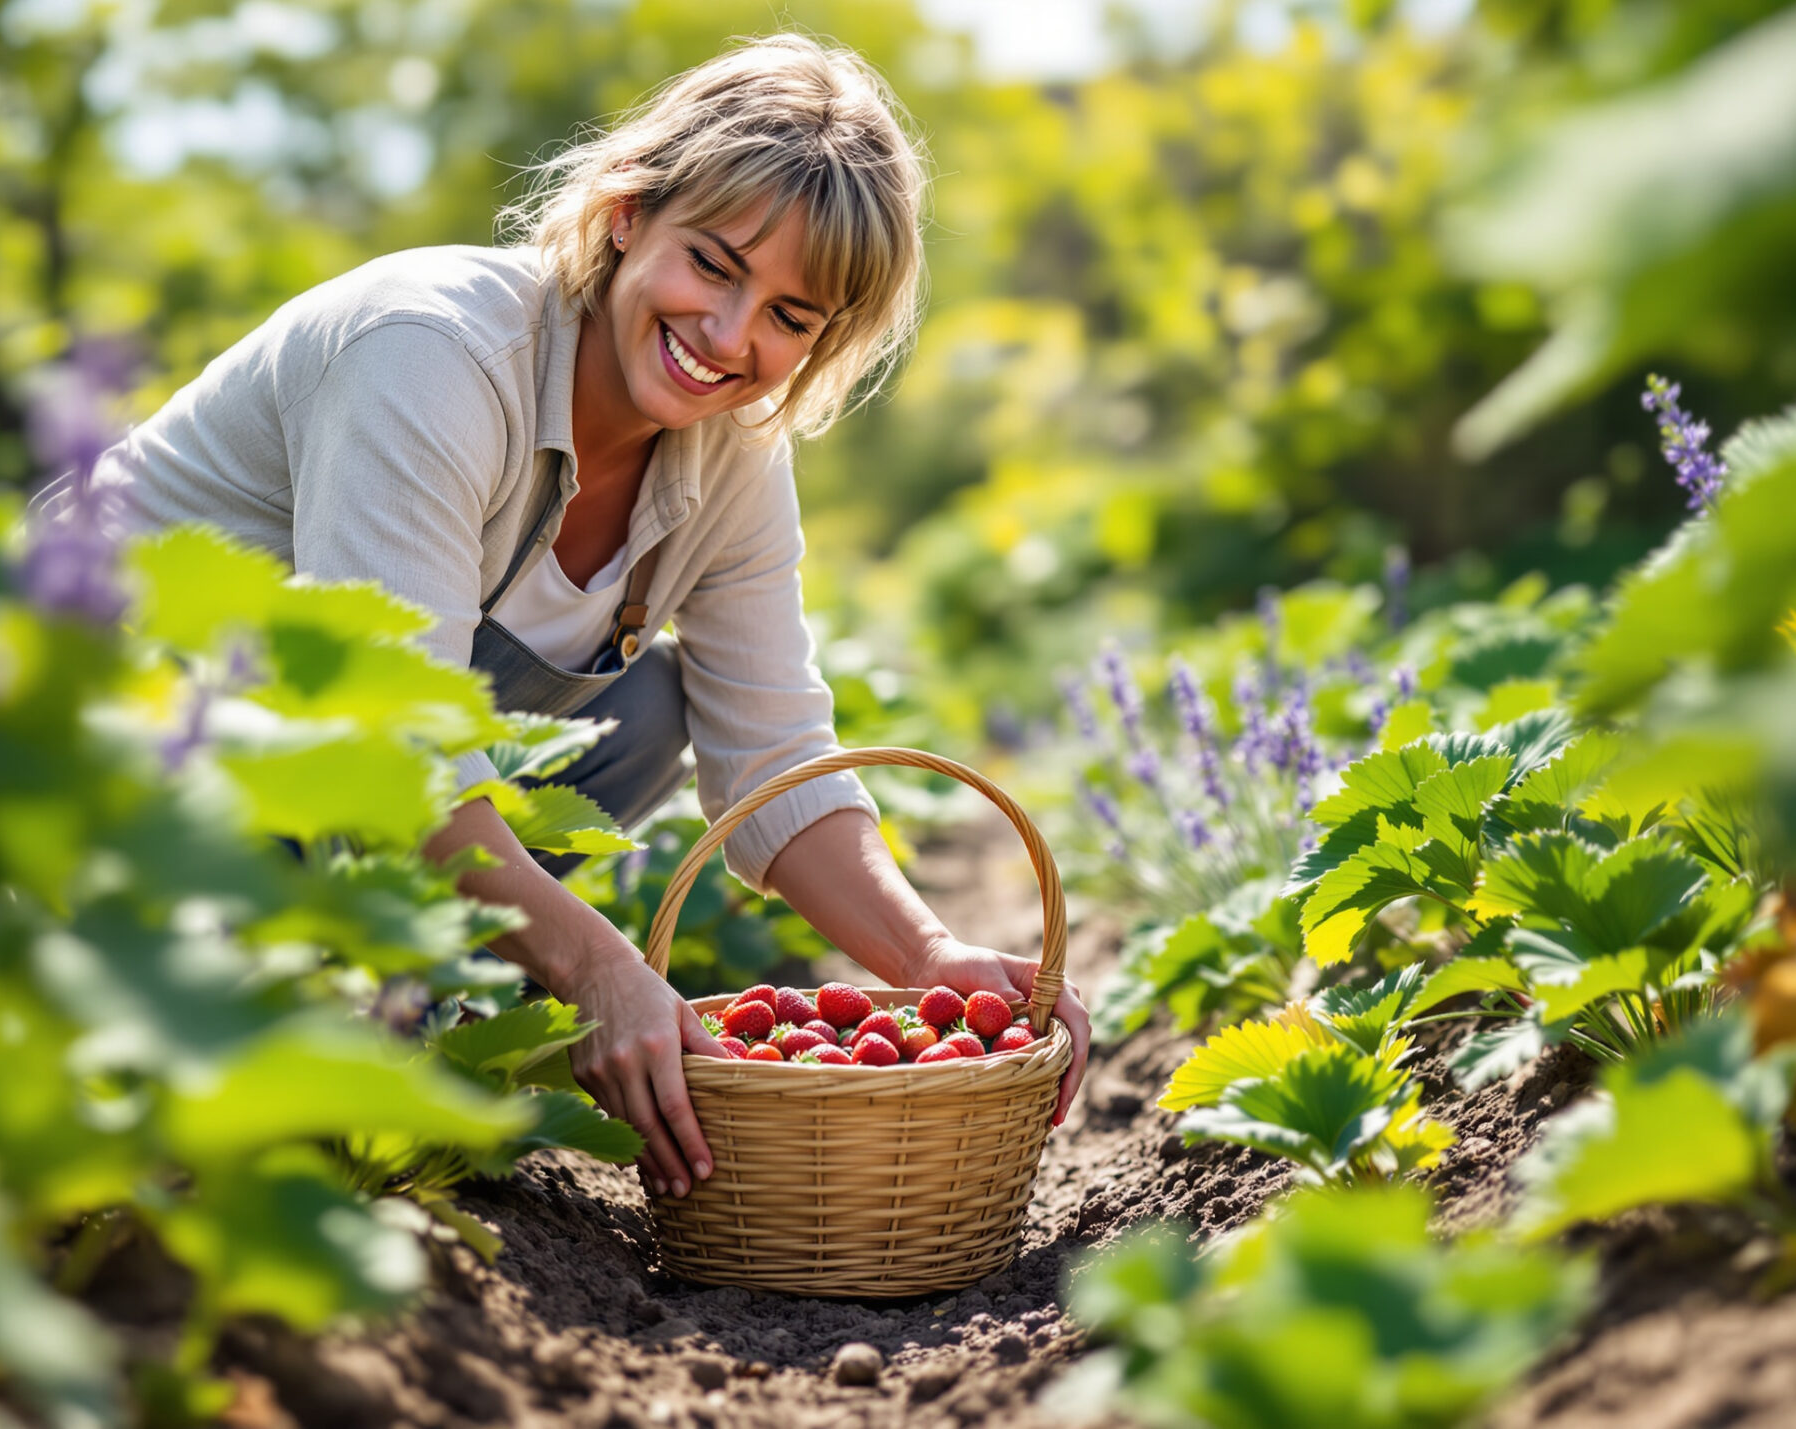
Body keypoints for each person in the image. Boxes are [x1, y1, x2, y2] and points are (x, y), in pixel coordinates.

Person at [65, 34, 1090, 1201]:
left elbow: (779, 757)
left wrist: (931, 961)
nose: (730, 336)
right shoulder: (433, 357)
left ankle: (379, 1000)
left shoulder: (734, 459)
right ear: (624, 215)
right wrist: (599, 972)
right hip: (119, 725)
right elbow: (384, 754)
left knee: (641, 712)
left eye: (789, 317)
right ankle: (224, 1009)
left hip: (304, 780)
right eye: (712, 265)